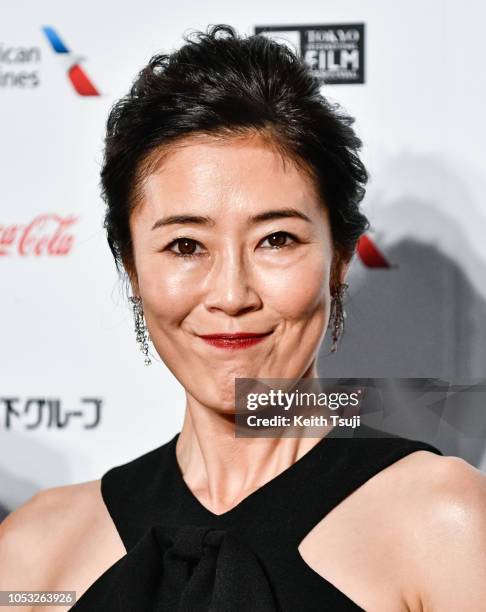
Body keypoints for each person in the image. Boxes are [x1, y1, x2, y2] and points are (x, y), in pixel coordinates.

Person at [1, 23, 485, 612]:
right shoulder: (34, 554)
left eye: (276, 239)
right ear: (131, 269)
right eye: (185, 245)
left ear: (337, 261)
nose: (231, 294)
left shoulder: (446, 523)